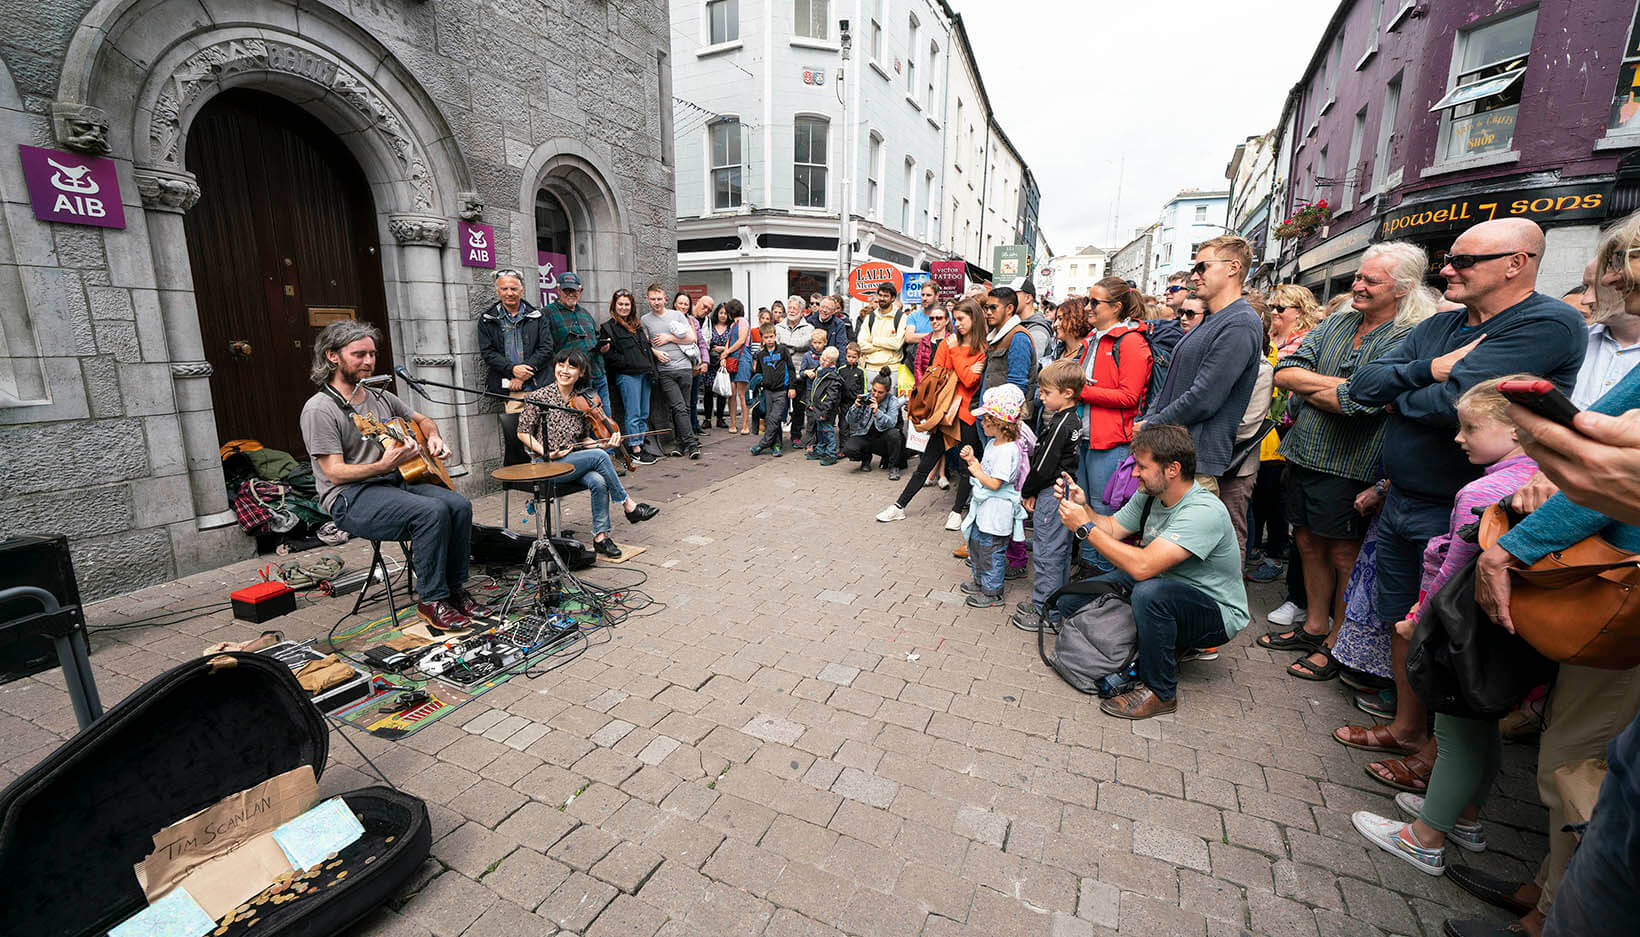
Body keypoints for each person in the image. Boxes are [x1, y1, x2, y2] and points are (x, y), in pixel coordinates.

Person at [1339, 217, 1587, 795]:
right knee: (1404, 623)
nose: (1447, 269)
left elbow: (1462, 405)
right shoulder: (1444, 325)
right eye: (1448, 259)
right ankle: (1406, 729)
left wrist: (1412, 393)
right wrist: (1427, 369)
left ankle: (1441, 762)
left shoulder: (1548, 322)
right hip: (1403, 499)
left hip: (1471, 514)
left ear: (1516, 263)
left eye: (1464, 260)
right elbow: (1363, 385)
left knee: (1449, 639)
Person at [1452, 222, 1640, 937]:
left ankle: (1556, 914)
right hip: (1580, 574)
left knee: (1576, 758)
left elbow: (1598, 476)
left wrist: (1511, 547)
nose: (1592, 281)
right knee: (1568, 737)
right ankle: (1545, 889)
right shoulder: (1590, 344)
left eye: (1607, 267)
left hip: (1608, 578)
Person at [1349, 377, 1540, 879]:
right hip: (1507, 633)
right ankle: (1465, 818)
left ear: (1518, 432)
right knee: (1483, 728)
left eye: (1471, 428)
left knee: (1454, 732)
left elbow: (1454, 569)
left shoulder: (1485, 490)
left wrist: (1417, 619)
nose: (1459, 438)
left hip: (1465, 626)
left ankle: (1425, 837)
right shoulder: (1537, 478)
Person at [1262, 245, 1435, 681]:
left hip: (1354, 464)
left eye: (1369, 281)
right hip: (1303, 453)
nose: (1356, 285)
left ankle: (1338, 640)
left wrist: (1330, 389)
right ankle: (1314, 625)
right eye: (1358, 277)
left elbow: (1366, 404)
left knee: (1343, 553)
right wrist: (1349, 388)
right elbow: (1286, 372)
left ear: (1403, 289)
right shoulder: (1339, 321)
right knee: (1305, 543)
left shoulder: (1410, 334)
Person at [1054, 423, 1249, 719]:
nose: (1134, 474)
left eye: (1141, 467)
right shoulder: (1151, 495)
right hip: (1165, 584)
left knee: (1148, 592)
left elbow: (1142, 566)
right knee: (1070, 602)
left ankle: (1161, 692)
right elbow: (1112, 528)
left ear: (1172, 469)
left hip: (1216, 614)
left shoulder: (1202, 511)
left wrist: (1083, 528)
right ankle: (1162, 641)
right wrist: (1085, 509)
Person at [299, 321, 484, 631]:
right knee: (431, 512)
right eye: (359, 354)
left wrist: (434, 437)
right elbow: (334, 472)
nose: (369, 361)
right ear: (332, 356)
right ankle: (432, 600)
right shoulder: (319, 409)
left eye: (372, 354)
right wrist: (383, 466)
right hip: (350, 496)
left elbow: (424, 421)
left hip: (393, 483)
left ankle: (454, 589)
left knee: (459, 505)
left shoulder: (378, 396)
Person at [1141, 236, 1263, 494]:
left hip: (1193, 464)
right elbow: (1171, 386)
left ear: (1233, 268)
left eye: (1202, 267)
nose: (1194, 277)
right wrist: (1150, 421)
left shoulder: (1239, 322)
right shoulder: (1211, 320)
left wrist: (1150, 424)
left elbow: (1204, 398)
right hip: (1172, 456)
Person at [516, 349, 660, 559]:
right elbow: (522, 432)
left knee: (598, 480)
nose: (564, 371)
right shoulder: (540, 396)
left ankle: (601, 538)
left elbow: (584, 439)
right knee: (600, 458)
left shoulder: (581, 400)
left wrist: (604, 443)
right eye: (561, 365)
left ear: (581, 373)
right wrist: (546, 452)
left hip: (572, 461)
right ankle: (629, 506)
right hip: (546, 463)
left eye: (572, 367)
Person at [875, 296, 988, 525]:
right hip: (945, 412)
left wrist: (957, 360)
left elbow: (968, 381)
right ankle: (899, 506)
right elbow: (937, 375)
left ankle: (956, 512)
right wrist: (962, 367)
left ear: (974, 318)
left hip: (966, 413)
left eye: (961, 319)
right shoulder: (950, 343)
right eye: (955, 319)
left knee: (967, 465)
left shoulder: (981, 348)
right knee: (926, 463)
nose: (957, 324)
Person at [1246, 284, 1325, 584]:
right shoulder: (1271, 338)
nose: (1275, 313)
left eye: (1281, 308)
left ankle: (1276, 554)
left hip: (1284, 429)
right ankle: (1258, 547)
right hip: (1262, 427)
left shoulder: (1306, 341)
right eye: (1272, 307)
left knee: (1275, 498)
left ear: (1300, 311)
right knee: (1259, 498)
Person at [1075, 277, 1153, 570]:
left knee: (1106, 514)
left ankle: (1104, 583)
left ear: (1117, 306)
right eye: (1088, 300)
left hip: (1110, 443)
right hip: (1086, 438)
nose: (1087, 307)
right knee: (1084, 510)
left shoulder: (1130, 341)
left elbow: (1129, 396)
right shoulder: (1094, 338)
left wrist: (1081, 390)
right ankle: (1088, 574)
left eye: (1094, 302)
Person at [1012, 359, 1084, 630]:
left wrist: (1028, 489)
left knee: (1048, 552)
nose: (1041, 398)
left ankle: (1045, 612)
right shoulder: (1072, 418)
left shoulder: (1062, 423)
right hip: (1063, 490)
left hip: (1052, 492)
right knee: (1061, 552)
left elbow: (1043, 465)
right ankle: (1055, 604)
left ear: (1066, 393)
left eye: (1046, 393)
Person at [958, 384, 1028, 609]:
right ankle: (981, 582)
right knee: (977, 546)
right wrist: (972, 461)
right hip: (985, 511)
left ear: (997, 422)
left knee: (991, 552)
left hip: (997, 512)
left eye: (985, 418)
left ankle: (993, 591)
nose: (982, 422)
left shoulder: (1009, 450)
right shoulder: (992, 444)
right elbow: (986, 473)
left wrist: (977, 472)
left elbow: (996, 483)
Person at [477, 268, 554, 465]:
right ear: (497, 291)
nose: (509, 293)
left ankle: (548, 479)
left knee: (544, 436)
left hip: (538, 385)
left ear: (522, 290)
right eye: (504, 289)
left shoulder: (538, 315)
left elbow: (546, 348)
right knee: (516, 438)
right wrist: (512, 370)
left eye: (513, 288)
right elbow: (488, 353)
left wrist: (523, 373)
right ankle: (526, 481)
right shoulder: (488, 319)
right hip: (510, 388)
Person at [597, 288, 659, 466]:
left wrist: (652, 370)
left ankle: (641, 443)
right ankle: (635, 449)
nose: (624, 307)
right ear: (614, 306)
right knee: (633, 413)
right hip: (628, 376)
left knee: (644, 412)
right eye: (620, 304)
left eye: (627, 304)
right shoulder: (608, 328)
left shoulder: (636, 326)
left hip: (645, 374)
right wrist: (629, 363)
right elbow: (609, 357)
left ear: (632, 306)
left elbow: (646, 350)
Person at [642, 284, 701, 459]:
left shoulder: (676, 315)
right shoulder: (645, 320)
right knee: (679, 406)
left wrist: (670, 338)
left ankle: (679, 443)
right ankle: (692, 444)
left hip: (684, 367)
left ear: (665, 298)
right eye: (652, 299)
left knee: (684, 408)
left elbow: (692, 338)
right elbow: (644, 345)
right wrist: (655, 352)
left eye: (659, 299)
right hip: (665, 370)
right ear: (647, 299)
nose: (656, 302)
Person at [542, 271, 610, 417]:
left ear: (580, 291)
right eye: (566, 290)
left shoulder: (585, 313)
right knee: (585, 422)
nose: (571, 294)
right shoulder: (547, 313)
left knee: (605, 418)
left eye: (574, 290)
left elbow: (596, 337)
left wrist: (603, 346)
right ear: (558, 290)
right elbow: (546, 349)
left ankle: (607, 441)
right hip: (575, 379)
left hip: (598, 373)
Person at [978, 286, 1039, 417]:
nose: (988, 312)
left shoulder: (1018, 337)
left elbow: (1016, 387)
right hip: (990, 415)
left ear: (1009, 309)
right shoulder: (996, 335)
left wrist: (1002, 422)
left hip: (1003, 421)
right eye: (986, 308)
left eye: (993, 307)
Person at [843, 366, 905, 475]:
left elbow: (891, 423)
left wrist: (877, 412)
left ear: (887, 391)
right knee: (849, 449)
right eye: (874, 390)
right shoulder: (866, 397)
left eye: (880, 392)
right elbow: (850, 421)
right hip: (866, 435)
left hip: (883, 438)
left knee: (894, 434)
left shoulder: (892, 401)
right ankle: (866, 459)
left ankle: (894, 467)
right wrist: (855, 407)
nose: (876, 395)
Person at [749, 322, 797, 457]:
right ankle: (776, 445)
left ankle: (762, 444)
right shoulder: (760, 355)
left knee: (775, 418)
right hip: (768, 391)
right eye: (766, 337)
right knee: (770, 418)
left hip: (782, 390)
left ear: (775, 336)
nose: (769, 340)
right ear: (762, 339)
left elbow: (791, 369)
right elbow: (758, 374)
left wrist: (792, 387)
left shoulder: (782, 350)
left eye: (771, 336)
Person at [858, 282, 913, 395]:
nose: (882, 298)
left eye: (886, 296)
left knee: (890, 407)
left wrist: (874, 340)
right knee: (870, 405)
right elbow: (861, 345)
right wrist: (885, 346)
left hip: (892, 369)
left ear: (893, 298)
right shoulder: (870, 318)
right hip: (871, 369)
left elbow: (897, 344)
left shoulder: (901, 317)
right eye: (880, 295)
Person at [778, 297, 815, 448]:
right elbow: (777, 345)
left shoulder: (809, 328)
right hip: (783, 373)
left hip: (800, 373)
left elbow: (805, 343)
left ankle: (796, 436)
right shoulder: (778, 327)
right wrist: (794, 348)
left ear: (802, 312)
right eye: (790, 308)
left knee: (799, 408)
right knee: (780, 407)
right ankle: (777, 438)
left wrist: (787, 346)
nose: (792, 311)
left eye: (795, 308)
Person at [804, 346, 843, 465]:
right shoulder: (820, 371)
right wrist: (812, 403)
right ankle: (821, 450)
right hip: (817, 409)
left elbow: (830, 399)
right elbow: (815, 390)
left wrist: (824, 412)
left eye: (825, 360)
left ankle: (831, 454)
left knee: (828, 432)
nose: (822, 361)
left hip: (825, 411)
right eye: (822, 358)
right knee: (820, 431)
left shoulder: (833, 378)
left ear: (832, 363)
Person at [724, 299, 757, 434]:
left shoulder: (742, 322)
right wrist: (724, 355)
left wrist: (726, 351)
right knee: (731, 394)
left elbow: (741, 340)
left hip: (742, 359)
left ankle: (744, 424)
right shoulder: (733, 325)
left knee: (741, 394)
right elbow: (729, 342)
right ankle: (733, 423)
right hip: (733, 359)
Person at [685, 290, 712, 438]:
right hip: (684, 364)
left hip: (697, 363)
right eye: (705, 306)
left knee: (694, 397)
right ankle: (689, 428)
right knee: (686, 400)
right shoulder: (688, 319)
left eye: (709, 309)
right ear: (698, 302)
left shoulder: (705, 321)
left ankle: (695, 425)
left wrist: (705, 361)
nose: (706, 310)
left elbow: (703, 342)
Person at [702, 300, 732, 430]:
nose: (723, 315)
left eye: (725, 313)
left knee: (721, 390)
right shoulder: (710, 325)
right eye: (721, 312)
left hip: (724, 363)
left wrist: (722, 349)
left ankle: (720, 418)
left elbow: (733, 344)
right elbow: (705, 341)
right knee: (708, 391)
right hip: (711, 362)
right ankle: (707, 419)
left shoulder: (731, 328)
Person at [1016, 280, 1055, 362]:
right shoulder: (1019, 324)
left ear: (1027, 298)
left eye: (1014, 295)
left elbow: (1025, 367)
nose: (1009, 299)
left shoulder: (1037, 330)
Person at [808, 293, 851, 358]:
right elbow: (808, 345)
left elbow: (841, 347)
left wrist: (842, 367)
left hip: (832, 361)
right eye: (823, 307)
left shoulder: (839, 324)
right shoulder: (810, 321)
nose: (824, 310)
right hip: (813, 360)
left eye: (828, 308)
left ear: (834, 311)